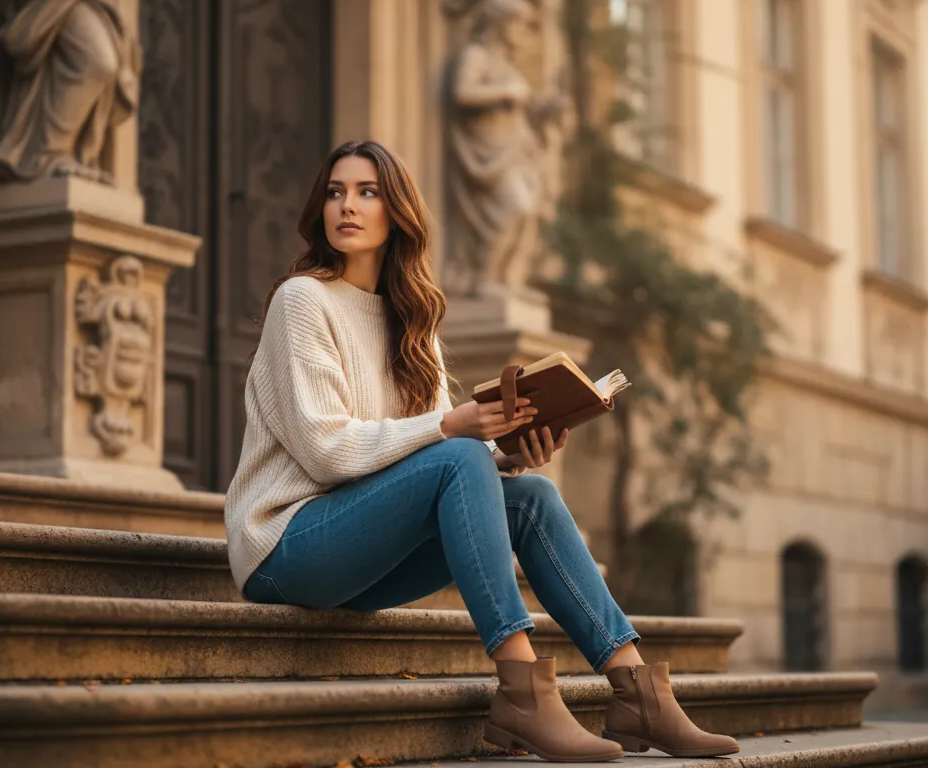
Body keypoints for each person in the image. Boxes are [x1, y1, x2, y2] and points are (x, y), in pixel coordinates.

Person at [224, 140, 738, 761]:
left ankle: (639, 697)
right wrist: (452, 427)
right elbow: (328, 453)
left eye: (367, 192)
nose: (347, 206)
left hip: (363, 556)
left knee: (532, 497)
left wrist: (513, 456)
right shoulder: (302, 300)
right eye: (335, 192)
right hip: (287, 547)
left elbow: (439, 465)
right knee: (461, 453)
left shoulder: (413, 323)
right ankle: (522, 694)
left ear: (398, 214)